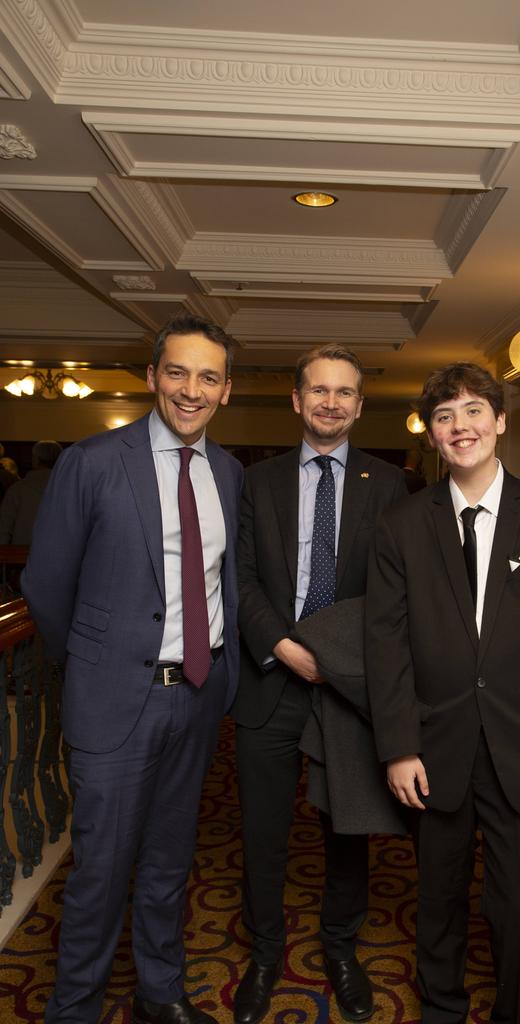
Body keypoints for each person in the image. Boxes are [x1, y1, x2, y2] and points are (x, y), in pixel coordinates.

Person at [22, 313, 243, 1024]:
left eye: (208, 376)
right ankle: (75, 1008)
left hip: (198, 700)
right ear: (152, 377)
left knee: (168, 864)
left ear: (226, 391)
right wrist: (95, 666)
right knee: (99, 872)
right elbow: (47, 585)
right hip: (115, 702)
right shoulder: (92, 462)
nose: (191, 389)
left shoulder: (230, 475)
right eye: (177, 371)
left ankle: (160, 992)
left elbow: (225, 584)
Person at [365, 362, 520, 1024]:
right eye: (444, 417)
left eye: (473, 411)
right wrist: (398, 746)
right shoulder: (401, 526)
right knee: (438, 897)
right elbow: (386, 647)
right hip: (434, 746)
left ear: (499, 421)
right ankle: (440, 1008)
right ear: (432, 435)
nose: (460, 426)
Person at [232, 343, 407, 1024]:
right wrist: (285, 645)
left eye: (345, 392)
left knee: (347, 829)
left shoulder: (388, 485)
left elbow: (391, 596)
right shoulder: (259, 480)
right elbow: (241, 578)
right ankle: (265, 954)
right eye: (319, 390)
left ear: (359, 405)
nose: (331, 402)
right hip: (273, 676)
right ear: (297, 400)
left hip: (350, 688)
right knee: (263, 832)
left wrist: (333, 661)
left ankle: (341, 948)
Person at [0, 439, 62, 544]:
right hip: (63, 555)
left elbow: (4, 529)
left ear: (35, 460)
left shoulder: (17, 490)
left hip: (21, 556)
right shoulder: (73, 490)